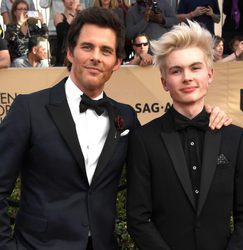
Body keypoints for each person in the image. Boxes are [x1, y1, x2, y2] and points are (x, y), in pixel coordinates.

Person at [0, 7, 140, 250]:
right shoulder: (29, 109)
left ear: (117, 62)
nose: (96, 57)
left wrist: (209, 116)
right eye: (87, 47)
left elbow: (160, 160)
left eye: (106, 50)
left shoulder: (125, 117)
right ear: (69, 52)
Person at [127, 20, 243, 250]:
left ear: (210, 74)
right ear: (164, 82)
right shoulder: (144, 140)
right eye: (176, 70)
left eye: (195, 68)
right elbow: (138, 219)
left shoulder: (236, 138)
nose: (187, 77)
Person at [54, 0, 83, 66]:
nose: (72, 1)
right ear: (63, 2)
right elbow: (63, 32)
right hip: (63, 57)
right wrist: (73, 12)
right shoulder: (59, 16)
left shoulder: (82, 18)